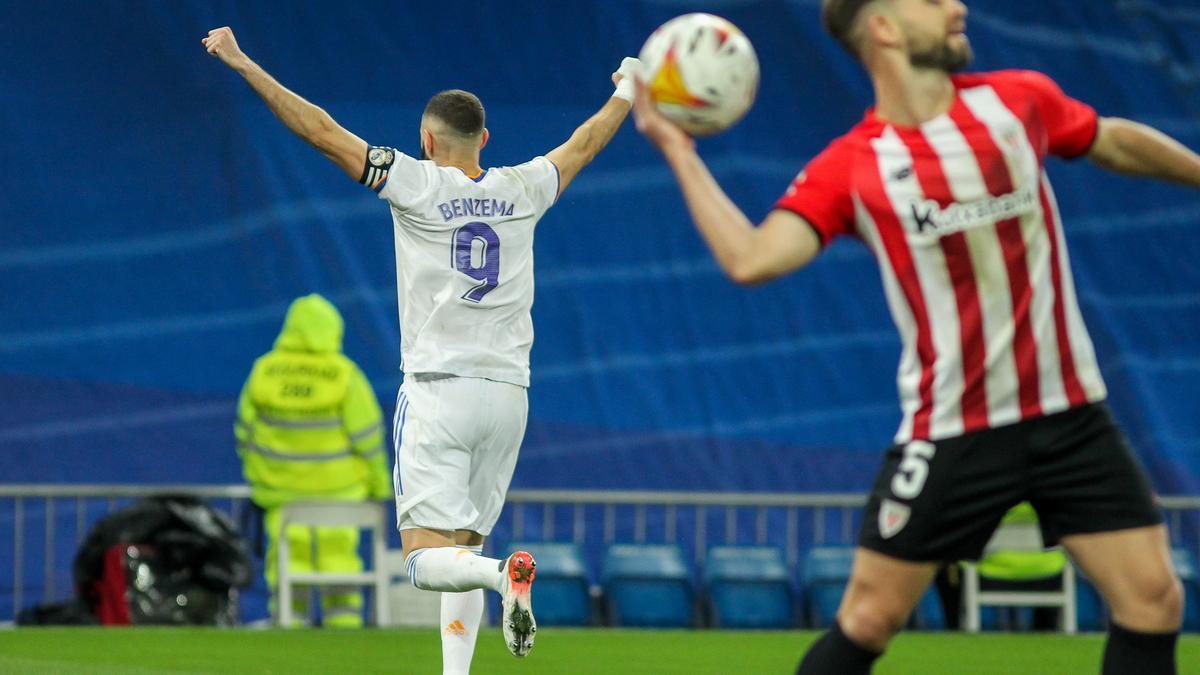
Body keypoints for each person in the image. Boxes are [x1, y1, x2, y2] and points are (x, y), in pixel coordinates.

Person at [631, 1, 1199, 672]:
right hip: (955, 430)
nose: (956, 6)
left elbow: (1110, 138)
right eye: (931, 0)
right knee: (869, 618)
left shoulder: (1019, 102)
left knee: (1154, 599)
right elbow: (752, 257)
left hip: (1070, 414)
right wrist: (676, 147)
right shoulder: (853, 165)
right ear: (885, 28)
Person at [204, 26, 638, 670]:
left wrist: (242, 63)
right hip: (509, 396)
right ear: (484, 140)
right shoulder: (523, 188)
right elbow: (584, 144)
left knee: (427, 558)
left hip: (439, 391)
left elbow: (321, 131)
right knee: (466, 545)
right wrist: (628, 90)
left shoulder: (416, 182)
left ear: (427, 140)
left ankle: (502, 578)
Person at [234, 293, 390, 628]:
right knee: (340, 565)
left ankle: (290, 630)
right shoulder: (344, 376)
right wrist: (380, 485)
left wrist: (260, 477)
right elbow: (368, 438)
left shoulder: (265, 372)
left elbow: (245, 432)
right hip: (342, 495)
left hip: (281, 496)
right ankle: (345, 636)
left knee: (290, 568)